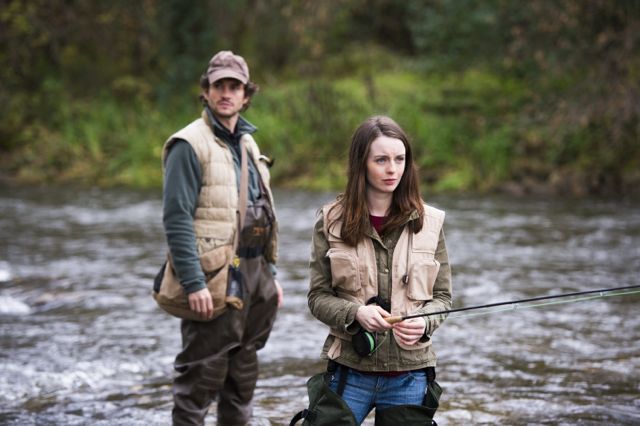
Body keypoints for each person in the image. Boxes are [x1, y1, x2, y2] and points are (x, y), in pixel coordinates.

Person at [161, 50, 283, 426]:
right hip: (211, 279)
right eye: (219, 86)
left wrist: (271, 276)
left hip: (254, 276)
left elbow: (260, 212)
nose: (226, 93)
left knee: (241, 381)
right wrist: (193, 282)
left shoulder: (248, 143)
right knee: (198, 382)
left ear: (247, 95)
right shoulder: (187, 144)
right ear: (206, 92)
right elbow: (176, 219)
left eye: (235, 87)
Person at [306, 115, 452, 424]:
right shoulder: (330, 220)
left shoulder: (431, 222)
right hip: (348, 372)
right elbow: (317, 298)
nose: (392, 169)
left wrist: (425, 322)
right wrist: (356, 314)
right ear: (361, 163)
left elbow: (443, 299)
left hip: (410, 375)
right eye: (381, 159)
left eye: (400, 159)